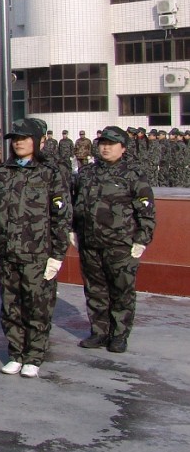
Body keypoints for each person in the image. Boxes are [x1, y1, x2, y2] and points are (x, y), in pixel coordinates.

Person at [0, 118, 71, 379]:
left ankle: (33, 355)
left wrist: (57, 254)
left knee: (37, 305)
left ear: (37, 141)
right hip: (8, 250)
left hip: (38, 252)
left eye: (24, 138)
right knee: (11, 305)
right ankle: (16, 353)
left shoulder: (50, 173)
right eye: (15, 138)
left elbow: (61, 216)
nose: (18, 142)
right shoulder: (2, 172)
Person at [72, 126, 155, 353]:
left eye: (111, 144)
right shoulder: (86, 173)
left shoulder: (133, 174)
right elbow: (75, 202)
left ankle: (119, 335)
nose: (105, 148)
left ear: (123, 148)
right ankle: (99, 332)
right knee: (95, 290)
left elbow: (146, 210)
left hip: (121, 245)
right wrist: (73, 229)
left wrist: (142, 240)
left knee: (121, 291)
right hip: (90, 243)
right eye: (102, 143)